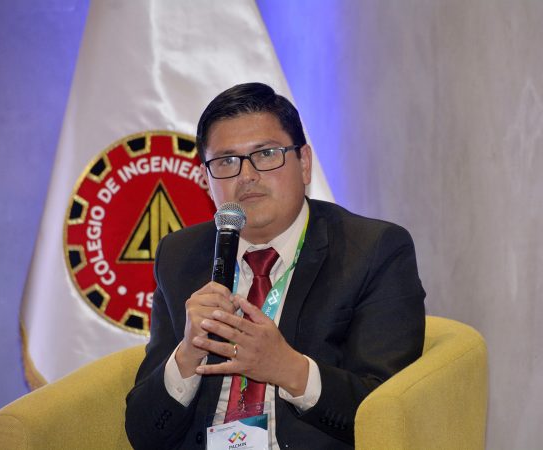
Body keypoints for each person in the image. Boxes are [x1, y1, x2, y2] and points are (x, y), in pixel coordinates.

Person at [125, 83, 426, 449]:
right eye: (226, 161)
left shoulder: (373, 251)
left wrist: (289, 370)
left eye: (266, 154)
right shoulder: (180, 256)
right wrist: (188, 353)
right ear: (206, 180)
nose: (246, 176)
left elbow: (389, 413)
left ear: (304, 163)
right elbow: (143, 434)